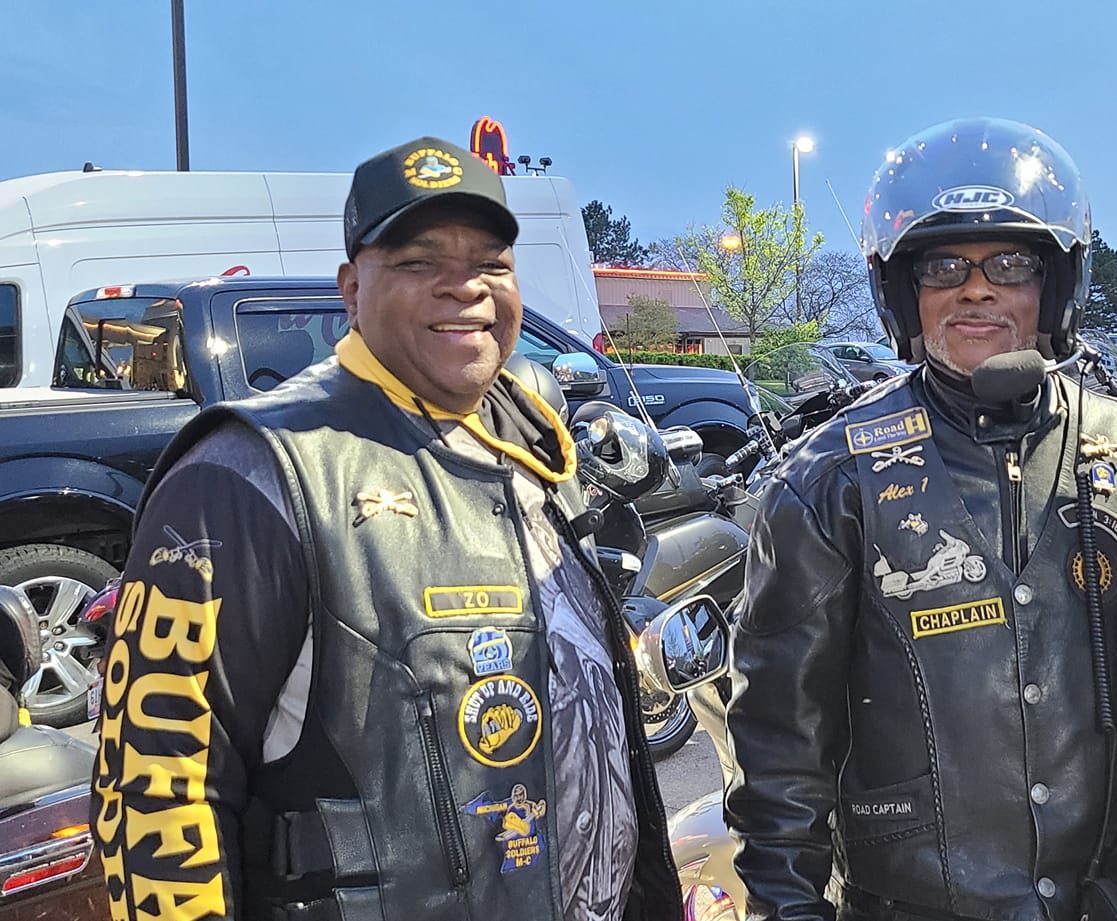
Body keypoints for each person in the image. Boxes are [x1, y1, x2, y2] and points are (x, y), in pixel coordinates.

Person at [91, 137, 681, 921]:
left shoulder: (524, 441)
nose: (464, 288)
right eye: (418, 262)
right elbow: (153, 796)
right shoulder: (246, 476)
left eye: (491, 264)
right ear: (350, 287)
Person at [723, 117, 1117, 921]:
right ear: (904, 292)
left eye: (1010, 263)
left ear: (1054, 286)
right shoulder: (831, 481)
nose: (978, 289)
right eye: (944, 266)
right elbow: (780, 752)